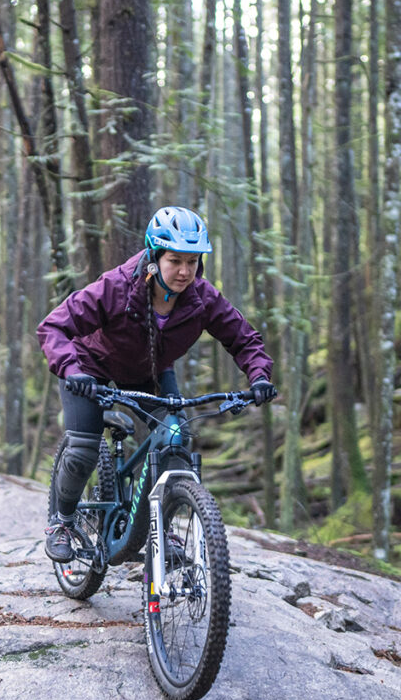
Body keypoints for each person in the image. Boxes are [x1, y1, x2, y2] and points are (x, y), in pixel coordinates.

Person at [36, 205, 276, 563]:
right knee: (84, 447)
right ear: (154, 256)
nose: (184, 272)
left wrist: (258, 376)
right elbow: (53, 327)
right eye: (175, 261)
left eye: (192, 262)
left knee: (175, 440)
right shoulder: (116, 287)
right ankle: (63, 522)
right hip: (90, 367)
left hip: (149, 372)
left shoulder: (202, 298)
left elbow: (244, 338)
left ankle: (160, 530)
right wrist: (72, 371)